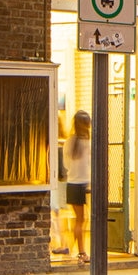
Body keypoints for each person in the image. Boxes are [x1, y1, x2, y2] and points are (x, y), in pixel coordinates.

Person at [62, 110, 93, 262]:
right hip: (83, 184)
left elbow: (66, 164)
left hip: (71, 183)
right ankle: (81, 252)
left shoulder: (70, 141)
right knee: (82, 219)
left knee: (79, 219)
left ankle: (68, 246)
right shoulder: (87, 142)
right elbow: (90, 166)